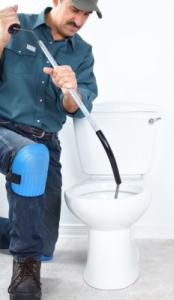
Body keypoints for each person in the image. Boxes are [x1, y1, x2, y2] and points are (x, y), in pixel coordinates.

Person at [0, 0, 101, 298]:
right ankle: (25, 272)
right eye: (74, 9)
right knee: (32, 158)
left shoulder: (82, 53)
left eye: (86, 14)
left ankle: (30, 246)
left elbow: (77, 108)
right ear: (56, 0)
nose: (79, 20)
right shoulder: (18, 26)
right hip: (4, 128)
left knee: (44, 245)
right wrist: (1, 39)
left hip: (45, 139)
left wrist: (70, 91)